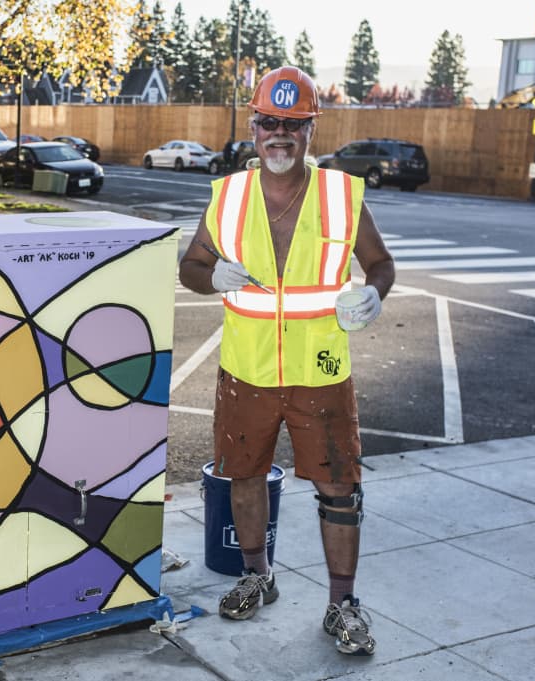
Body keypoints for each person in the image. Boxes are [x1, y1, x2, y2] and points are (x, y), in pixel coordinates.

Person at [178, 66, 395, 657]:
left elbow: (380, 263)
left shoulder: (339, 194)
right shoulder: (227, 196)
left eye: (292, 124)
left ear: (309, 131)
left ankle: (342, 605)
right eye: (269, 122)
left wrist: (375, 293)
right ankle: (257, 576)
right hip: (247, 368)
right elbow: (189, 267)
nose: (279, 134)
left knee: (339, 488)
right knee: (244, 476)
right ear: (253, 127)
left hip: (321, 369)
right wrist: (209, 275)